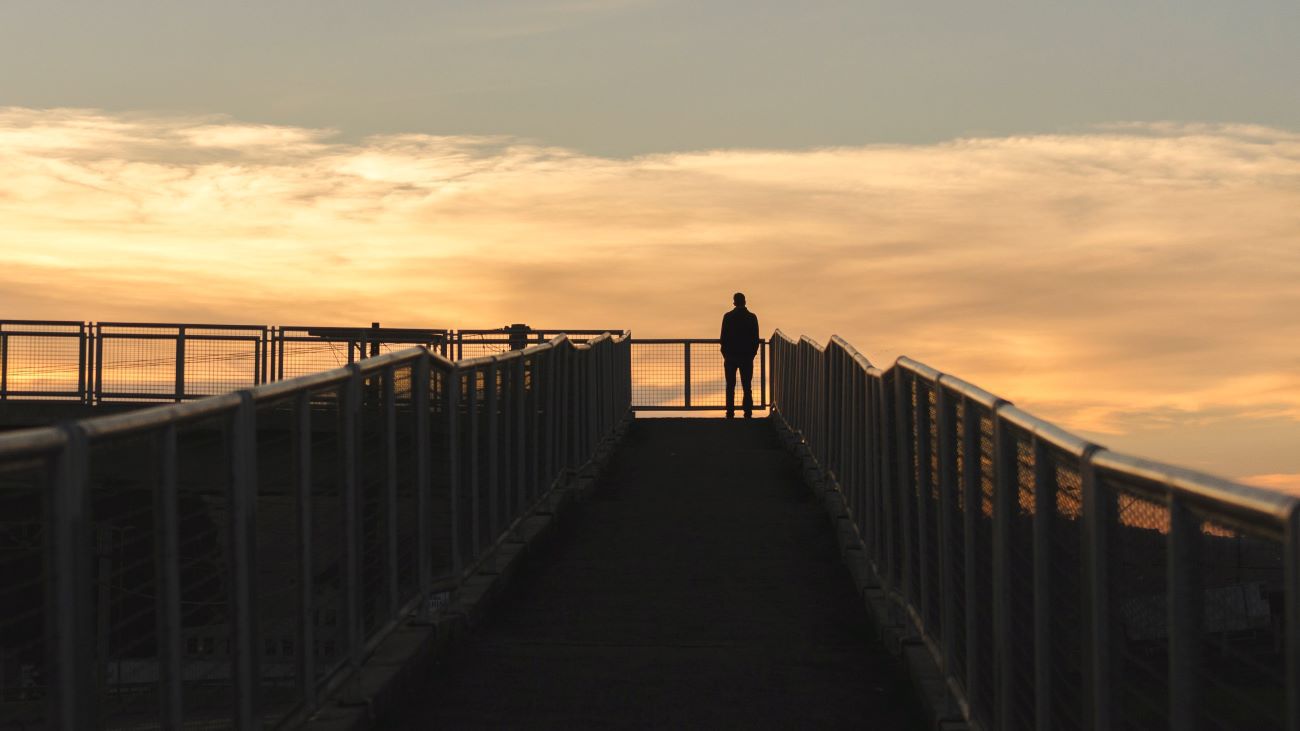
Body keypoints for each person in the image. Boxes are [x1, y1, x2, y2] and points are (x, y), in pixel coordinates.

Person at [719, 292, 760, 419]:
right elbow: (755, 339)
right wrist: (752, 354)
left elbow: (723, 338)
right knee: (747, 386)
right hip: (746, 356)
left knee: (730, 385)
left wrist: (725, 354)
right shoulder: (752, 317)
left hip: (731, 356)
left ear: (734, 302)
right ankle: (748, 412)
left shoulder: (728, 317)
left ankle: (730, 412)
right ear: (745, 302)